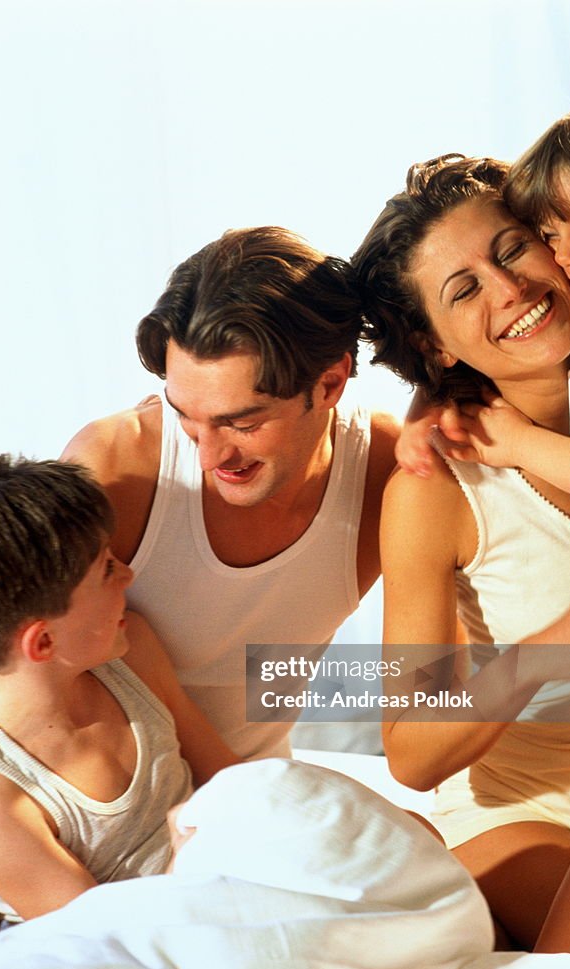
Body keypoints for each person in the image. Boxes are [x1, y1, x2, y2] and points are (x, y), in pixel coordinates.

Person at [350, 153, 570, 969]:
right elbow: (411, 750)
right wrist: (567, 639)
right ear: (431, 346)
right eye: (463, 291)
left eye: (512, 248)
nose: (510, 289)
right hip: (524, 814)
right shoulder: (437, 489)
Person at [62, 226, 398, 761]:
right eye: (187, 419)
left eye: (241, 423)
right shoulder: (114, 470)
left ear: (331, 384)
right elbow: (6, 689)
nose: (209, 457)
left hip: (250, 798)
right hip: (105, 810)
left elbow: (436, 681)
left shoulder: (385, 469)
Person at [0, 455, 238, 939]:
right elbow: (103, 943)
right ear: (44, 643)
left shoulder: (131, 650)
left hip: (220, 894)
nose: (129, 576)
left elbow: (231, 776)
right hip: (131, 960)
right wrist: (190, 852)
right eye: (107, 569)